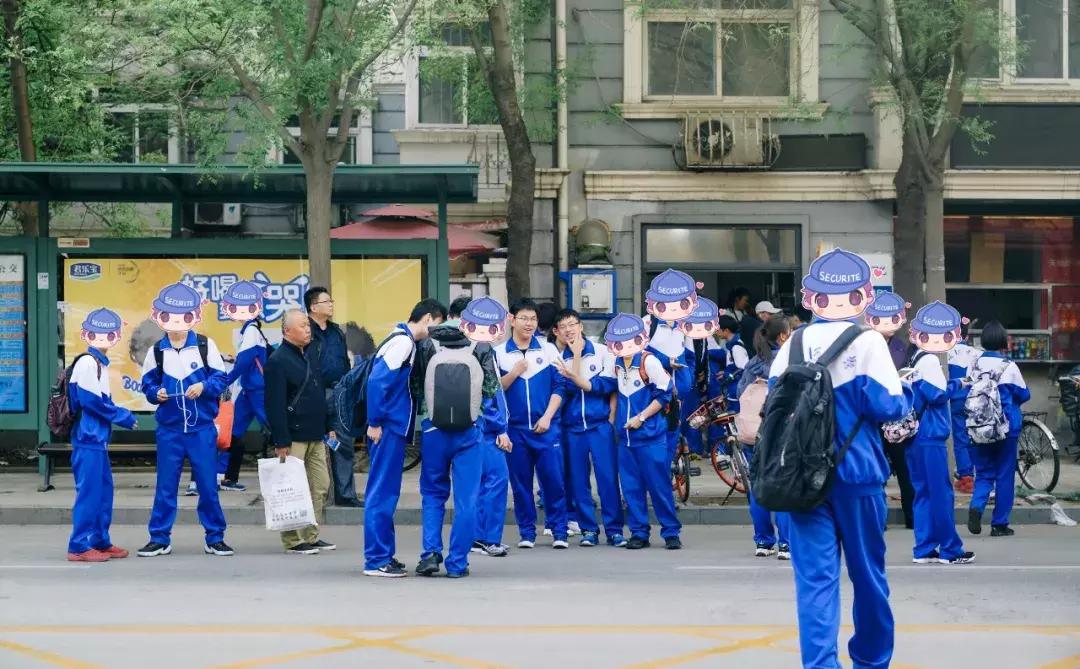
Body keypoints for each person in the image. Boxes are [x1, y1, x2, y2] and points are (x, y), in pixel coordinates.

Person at [769, 248, 911, 669]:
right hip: (857, 475)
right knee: (868, 578)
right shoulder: (868, 341)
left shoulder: (793, 343)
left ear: (810, 298)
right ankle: (871, 661)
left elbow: (773, 406)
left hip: (801, 480)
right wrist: (902, 389)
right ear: (863, 296)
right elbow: (889, 408)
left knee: (815, 583)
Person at [137, 282, 233, 558]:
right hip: (169, 430)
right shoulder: (157, 351)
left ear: (193, 316)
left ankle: (215, 537)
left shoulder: (204, 345)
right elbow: (147, 385)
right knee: (165, 487)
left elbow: (220, 379)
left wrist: (203, 387)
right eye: (170, 315)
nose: (176, 322)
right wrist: (156, 393)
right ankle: (159, 538)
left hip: (201, 429)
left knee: (208, 486)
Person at [411, 297, 502, 578]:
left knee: (432, 493)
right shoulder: (481, 345)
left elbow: (417, 386)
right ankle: (457, 563)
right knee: (467, 499)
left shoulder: (428, 343)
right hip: (469, 432)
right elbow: (491, 389)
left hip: (433, 430)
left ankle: (430, 553)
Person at [363, 299, 447, 577]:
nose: (437, 330)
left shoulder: (400, 339)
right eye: (437, 323)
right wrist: (375, 421)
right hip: (387, 427)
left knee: (386, 492)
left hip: (389, 425)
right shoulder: (403, 343)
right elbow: (377, 382)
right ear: (428, 318)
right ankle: (376, 559)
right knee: (382, 492)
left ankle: (383, 554)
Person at [905, 301, 976, 565]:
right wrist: (958, 384)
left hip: (914, 436)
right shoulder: (930, 360)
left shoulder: (913, 359)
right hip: (931, 436)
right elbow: (937, 395)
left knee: (923, 493)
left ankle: (924, 548)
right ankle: (950, 549)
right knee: (941, 494)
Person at [496, 298, 569, 549]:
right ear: (512, 320)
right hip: (515, 431)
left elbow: (560, 387)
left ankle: (559, 531)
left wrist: (547, 417)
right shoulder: (499, 353)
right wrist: (514, 373)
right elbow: (494, 390)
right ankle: (527, 533)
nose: (529, 323)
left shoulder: (548, 350)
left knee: (554, 482)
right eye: (524, 318)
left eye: (533, 319)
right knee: (521, 485)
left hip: (547, 429)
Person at [66, 308, 138, 562]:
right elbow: (91, 402)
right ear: (87, 334)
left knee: (103, 492)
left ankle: (99, 541)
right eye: (98, 333)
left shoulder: (98, 364)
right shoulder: (88, 363)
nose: (104, 338)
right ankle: (78, 546)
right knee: (90, 493)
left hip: (96, 439)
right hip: (88, 438)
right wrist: (123, 416)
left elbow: (98, 402)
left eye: (110, 333)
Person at [605, 313, 682, 550]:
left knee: (659, 487)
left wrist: (641, 418)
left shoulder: (649, 362)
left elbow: (664, 394)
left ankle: (671, 532)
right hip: (625, 439)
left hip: (650, 437)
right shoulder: (616, 363)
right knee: (631, 488)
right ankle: (639, 532)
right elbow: (608, 387)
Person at [264, 309, 337, 555]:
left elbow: (319, 394)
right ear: (287, 331)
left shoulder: (310, 353)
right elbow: (274, 405)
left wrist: (328, 426)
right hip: (292, 436)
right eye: (303, 325)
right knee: (292, 488)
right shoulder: (277, 360)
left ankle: (310, 535)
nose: (308, 329)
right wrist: (280, 440)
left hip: (316, 432)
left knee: (320, 485)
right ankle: (293, 540)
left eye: (308, 325)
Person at [554, 308, 625, 548]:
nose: (568, 330)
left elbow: (609, 384)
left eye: (572, 324)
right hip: (572, 428)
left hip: (599, 426)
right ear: (558, 332)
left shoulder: (603, 352)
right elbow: (569, 389)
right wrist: (575, 357)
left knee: (607, 478)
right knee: (578, 481)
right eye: (563, 327)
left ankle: (614, 530)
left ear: (581, 326)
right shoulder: (558, 359)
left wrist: (610, 416)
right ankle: (588, 530)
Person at [967, 321, 1031, 537]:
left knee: (984, 472)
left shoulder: (974, 365)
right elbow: (1024, 394)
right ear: (1003, 340)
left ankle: (977, 506)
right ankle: (999, 524)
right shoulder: (1009, 366)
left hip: (978, 426)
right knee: (1004, 474)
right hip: (1006, 427)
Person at [735, 316, 791, 560]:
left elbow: (740, 393)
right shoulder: (788, 361)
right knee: (783, 487)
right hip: (782, 432)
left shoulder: (753, 364)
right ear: (782, 336)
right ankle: (786, 543)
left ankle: (763, 541)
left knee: (758, 486)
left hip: (754, 434)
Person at [304, 287, 361, 507]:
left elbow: (344, 362)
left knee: (342, 442)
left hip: (338, 394)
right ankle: (311, 496)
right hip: (313, 395)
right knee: (311, 445)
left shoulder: (336, 331)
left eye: (331, 301)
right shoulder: (304, 330)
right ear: (313, 307)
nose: (331, 304)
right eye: (326, 301)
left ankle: (345, 495)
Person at [865, 291, 916, 529]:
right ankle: (879, 519)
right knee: (878, 469)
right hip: (873, 416)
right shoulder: (865, 343)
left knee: (904, 468)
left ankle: (911, 517)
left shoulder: (900, 347)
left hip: (896, 416)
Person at [642, 269, 699, 463]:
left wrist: (687, 380)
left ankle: (666, 474)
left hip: (679, 393)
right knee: (654, 433)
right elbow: (638, 354)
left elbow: (691, 357)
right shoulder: (647, 324)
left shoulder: (685, 326)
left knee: (672, 433)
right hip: (653, 393)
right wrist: (666, 362)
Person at [219, 280, 269, 493]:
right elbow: (246, 360)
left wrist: (226, 380)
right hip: (251, 389)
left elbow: (245, 361)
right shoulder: (251, 330)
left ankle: (296, 469)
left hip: (257, 389)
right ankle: (224, 477)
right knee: (231, 430)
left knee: (275, 427)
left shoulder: (251, 331)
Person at [947, 320, 980, 494]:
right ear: (967, 335)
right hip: (975, 401)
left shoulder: (945, 353)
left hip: (955, 402)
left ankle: (966, 478)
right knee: (974, 437)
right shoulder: (977, 354)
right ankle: (976, 474)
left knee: (960, 439)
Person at [714, 314, 748, 412]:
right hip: (733, 387)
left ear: (726, 330)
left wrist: (726, 375)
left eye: (718, 329)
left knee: (735, 415)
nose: (716, 332)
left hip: (736, 389)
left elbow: (742, 369)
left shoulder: (736, 347)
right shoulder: (732, 344)